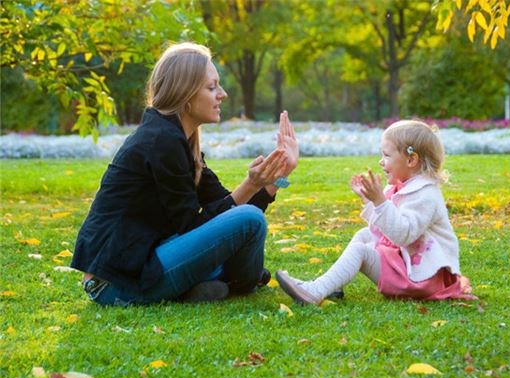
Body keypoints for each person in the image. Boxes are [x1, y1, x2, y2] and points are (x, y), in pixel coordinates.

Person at [71, 42, 298, 306]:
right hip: (113, 282)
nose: (222, 94)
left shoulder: (180, 141)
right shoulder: (161, 141)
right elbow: (196, 226)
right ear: (185, 94)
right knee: (250, 219)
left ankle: (215, 282)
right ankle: (233, 280)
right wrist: (250, 183)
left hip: (144, 261)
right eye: (211, 87)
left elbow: (225, 213)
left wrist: (278, 178)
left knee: (247, 219)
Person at [276, 120, 476, 305]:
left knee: (361, 251)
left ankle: (315, 291)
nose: (381, 162)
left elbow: (403, 234)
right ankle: (331, 286)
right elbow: (384, 226)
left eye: (387, 155)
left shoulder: (426, 195)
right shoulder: (404, 186)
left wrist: (379, 201)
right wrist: (370, 199)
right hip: (406, 265)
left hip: (421, 277)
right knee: (363, 235)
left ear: (411, 159)